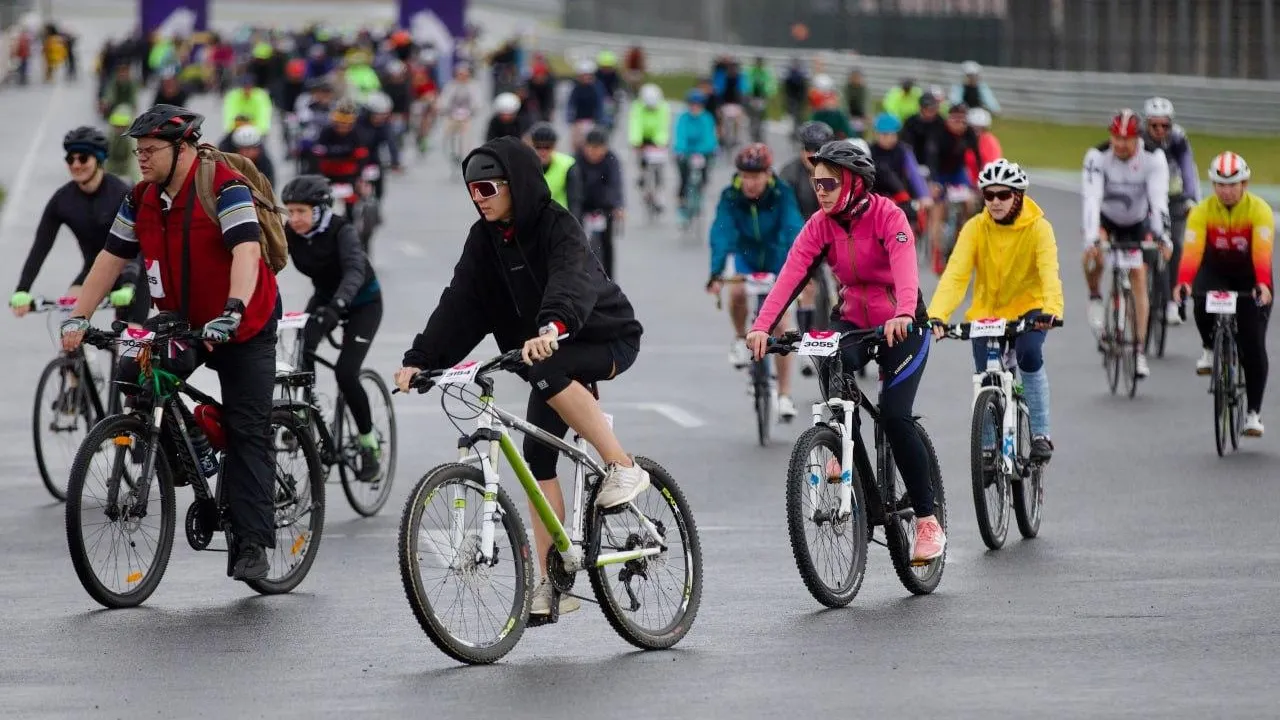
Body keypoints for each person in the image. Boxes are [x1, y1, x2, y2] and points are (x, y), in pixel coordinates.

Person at [393, 136, 647, 618]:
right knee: (537, 456)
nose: (480, 198)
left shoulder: (558, 226)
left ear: (517, 184)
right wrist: (421, 359)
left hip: (602, 338)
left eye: (488, 188)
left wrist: (552, 325)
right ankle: (556, 581)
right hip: (543, 354)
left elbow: (571, 281)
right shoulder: (483, 240)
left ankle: (622, 465)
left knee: (547, 368)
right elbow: (461, 303)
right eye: (472, 191)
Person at [59, 104, 281, 581]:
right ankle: (190, 448)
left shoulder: (225, 186)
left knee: (248, 431)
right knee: (134, 377)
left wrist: (234, 309)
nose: (140, 158)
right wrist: (78, 316)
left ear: (183, 149)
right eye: (137, 150)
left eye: (150, 150)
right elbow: (110, 258)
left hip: (244, 323)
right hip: (183, 323)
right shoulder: (139, 198)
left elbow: (245, 251)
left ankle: (252, 542)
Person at [743, 140, 944, 563]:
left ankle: (927, 521)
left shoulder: (889, 216)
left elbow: (907, 270)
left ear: (854, 182)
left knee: (893, 415)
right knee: (830, 361)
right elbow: (791, 274)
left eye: (830, 183)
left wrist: (904, 312)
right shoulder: (819, 225)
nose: (821, 190)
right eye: (817, 183)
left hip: (902, 324)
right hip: (853, 319)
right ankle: (840, 447)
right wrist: (763, 327)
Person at [927, 159, 1063, 461]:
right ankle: (988, 447)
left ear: (1019, 195)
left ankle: (1040, 433)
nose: (995, 202)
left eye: (1003, 195)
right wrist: (938, 314)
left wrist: (1051, 309)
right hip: (988, 313)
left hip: (1031, 310)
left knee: (1029, 355)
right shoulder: (975, 227)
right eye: (989, 196)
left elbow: (1049, 272)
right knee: (985, 375)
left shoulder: (1039, 227)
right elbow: (956, 274)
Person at [281, 175, 384, 475]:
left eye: (302, 211)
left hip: (363, 302)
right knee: (302, 355)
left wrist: (338, 307)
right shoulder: (291, 233)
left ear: (321, 210)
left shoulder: (343, 231)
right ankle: (304, 419)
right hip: (325, 299)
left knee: (345, 373)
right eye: (290, 211)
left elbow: (354, 270)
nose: (295, 218)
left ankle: (368, 444)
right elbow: (268, 262)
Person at [1175, 151, 1272, 437]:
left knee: (1253, 344)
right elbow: (1192, 253)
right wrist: (1183, 282)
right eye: (1220, 184)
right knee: (1198, 298)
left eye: (1233, 184)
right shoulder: (1202, 211)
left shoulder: (1260, 211)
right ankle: (1209, 347)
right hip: (1215, 271)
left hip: (1250, 275)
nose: (1226, 191)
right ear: (1213, 185)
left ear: (1245, 184)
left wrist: (1263, 285)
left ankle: (1253, 413)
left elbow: (1262, 255)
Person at [10, 127, 150, 324]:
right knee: (69, 325)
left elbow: (138, 245)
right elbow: (40, 247)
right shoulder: (62, 199)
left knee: (129, 344)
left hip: (133, 275)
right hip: (93, 272)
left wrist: (128, 284)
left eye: (83, 158)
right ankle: (74, 356)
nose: (76, 165)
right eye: (70, 159)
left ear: (99, 160)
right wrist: (22, 290)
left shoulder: (121, 193)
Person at [707, 143, 806, 419]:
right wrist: (716, 273)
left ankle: (784, 395)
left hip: (777, 257)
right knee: (737, 291)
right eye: (745, 176)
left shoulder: (782, 193)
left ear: (767, 174)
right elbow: (721, 233)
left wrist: (795, 268)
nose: (750, 183)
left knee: (782, 325)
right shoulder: (730, 196)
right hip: (746, 255)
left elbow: (793, 228)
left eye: (756, 176)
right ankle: (740, 338)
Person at [1081, 109, 1171, 379]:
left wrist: (1162, 236)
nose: (1120, 145)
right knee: (1092, 256)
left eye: (1126, 140)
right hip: (1106, 221)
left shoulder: (1153, 159)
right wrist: (1091, 239)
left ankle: (1139, 349)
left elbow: (1158, 201)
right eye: (1115, 139)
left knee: (1139, 276)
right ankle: (1096, 295)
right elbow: (1091, 199)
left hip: (1136, 223)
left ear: (1137, 138)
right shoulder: (1097, 157)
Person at [1143, 96, 1200, 326]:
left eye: (1164, 125)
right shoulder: (1138, 139)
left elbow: (1188, 168)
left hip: (1173, 196)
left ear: (1171, 125)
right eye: (1154, 125)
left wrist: (1191, 199)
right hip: (1146, 197)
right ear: (1146, 124)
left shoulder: (1178, 138)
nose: (1159, 130)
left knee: (1175, 243)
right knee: (1147, 243)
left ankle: (1172, 302)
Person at [569, 127, 624, 277]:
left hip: (604, 206)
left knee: (607, 243)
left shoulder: (611, 160)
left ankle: (609, 278)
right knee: (577, 243)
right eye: (591, 147)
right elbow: (572, 186)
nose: (594, 152)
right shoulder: (576, 160)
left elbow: (616, 184)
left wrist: (618, 206)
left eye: (598, 148)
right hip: (582, 204)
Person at [672, 89, 719, 222]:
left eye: (698, 104)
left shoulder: (707, 118)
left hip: (703, 152)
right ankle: (682, 205)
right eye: (692, 104)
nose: (695, 107)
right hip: (686, 152)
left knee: (704, 174)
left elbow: (709, 138)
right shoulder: (683, 118)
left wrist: (705, 150)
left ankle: (701, 191)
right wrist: (681, 150)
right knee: (683, 178)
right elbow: (680, 136)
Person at [629, 83, 671, 212]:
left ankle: (659, 194)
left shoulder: (664, 107)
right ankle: (642, 175)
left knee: (659, 167)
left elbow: (663, 126)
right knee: (641, 160)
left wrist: (661, 142)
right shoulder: (637, 107)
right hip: (643, 137)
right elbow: (635, 124)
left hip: (657, 138)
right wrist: (636, 141)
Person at [526, 121, 579, 212]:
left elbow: (574, 200)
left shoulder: (567, 165)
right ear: (531, 146)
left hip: (559, 217)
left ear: (555, 146)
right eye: (538, 147)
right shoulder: (522, 165)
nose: (543, 152)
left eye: (547, 147)